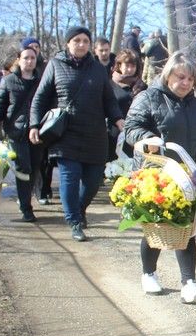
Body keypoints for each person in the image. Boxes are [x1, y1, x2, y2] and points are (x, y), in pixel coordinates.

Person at [123, 51, 196, 304]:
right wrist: (146, 138)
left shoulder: (195, 106)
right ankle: (149, 273)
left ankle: (189, 282)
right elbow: (131, 128)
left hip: (187, 173)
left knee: (187, 228)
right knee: (157, 226)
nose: (185, 83)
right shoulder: (148, 97)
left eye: (190, 79)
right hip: (156, 172)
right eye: (180, 76)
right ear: (167, 74)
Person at [29, 26, 126, 242]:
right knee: (69, 178)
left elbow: (109, 99)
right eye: (77, 40)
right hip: (66, 134)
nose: (81, 44)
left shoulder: (98, 69)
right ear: (68, 43)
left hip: (95, 134)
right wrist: (34, 124)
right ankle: (73, 221)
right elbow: (40, 98)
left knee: (92, 182)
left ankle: (80, 208)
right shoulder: (55, 65)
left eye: (85, 41)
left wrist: (119, 119)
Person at [0, 46, 44, 222]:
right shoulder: (9, 81)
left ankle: (25, 196)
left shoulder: (42, 81)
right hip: (16, 131)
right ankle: (26, 208)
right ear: (18, 60)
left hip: (37, 132)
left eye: (32, 58)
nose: (29, 61)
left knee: (34, 168)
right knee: (23, 168)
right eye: (26, 58)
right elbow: (0, 104)